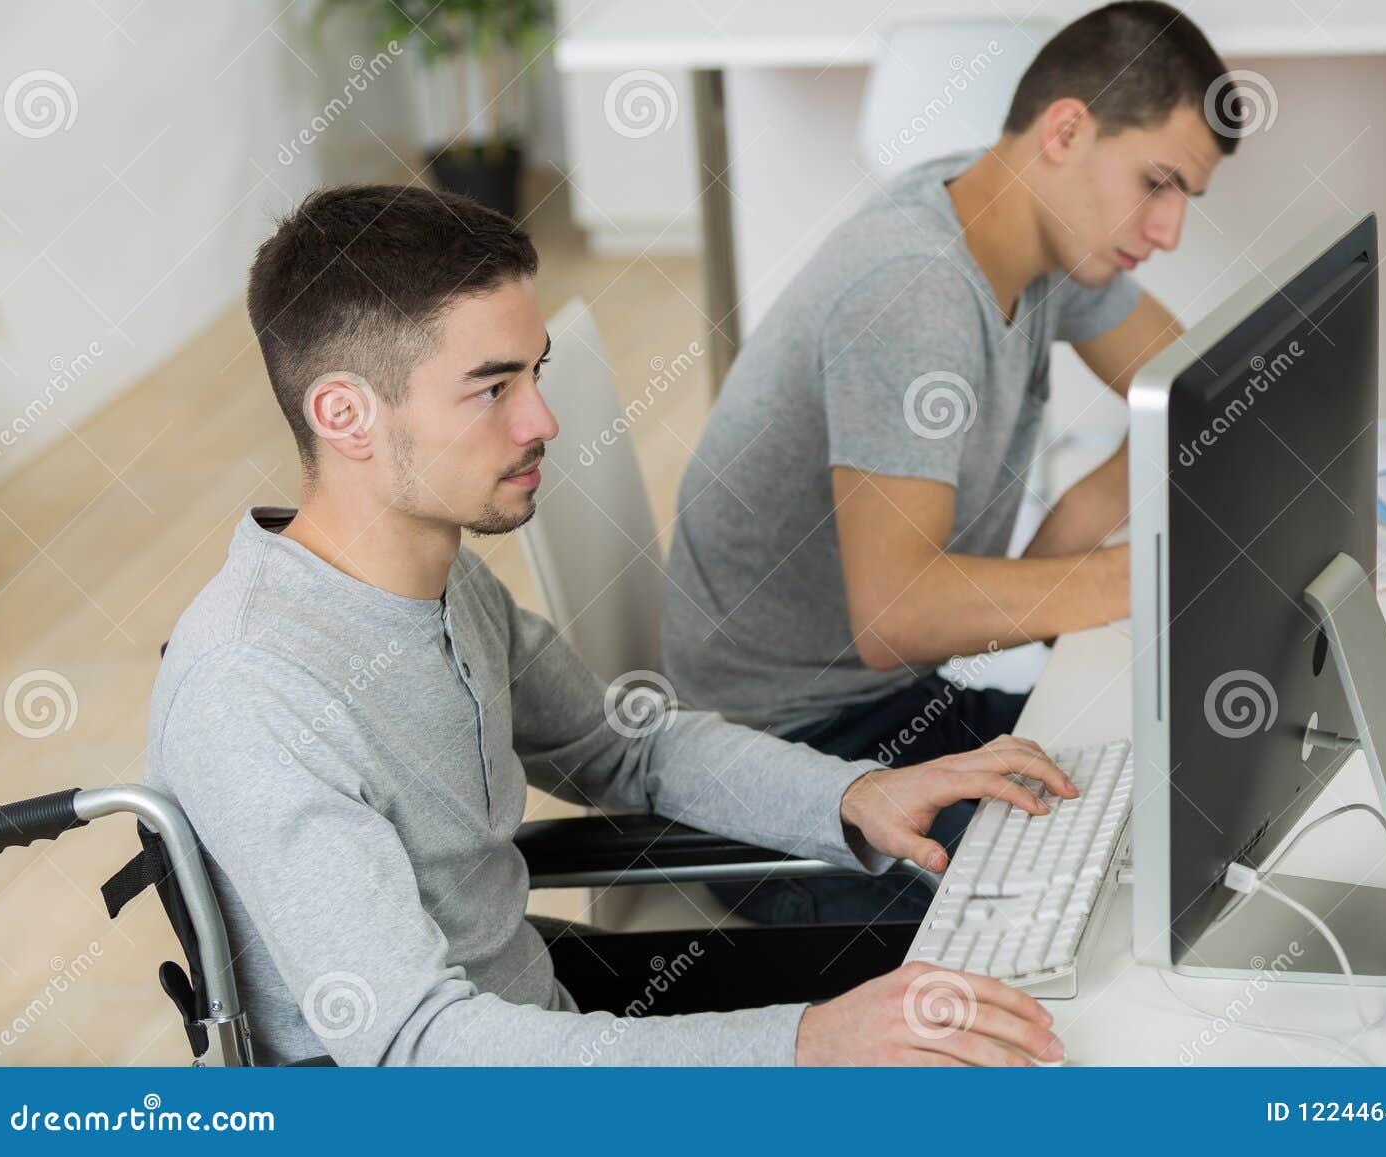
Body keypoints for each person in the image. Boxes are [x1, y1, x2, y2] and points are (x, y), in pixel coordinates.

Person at [143, 183, 1073, 1067]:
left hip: (541, 1015)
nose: (543, 417)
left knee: (980, 997)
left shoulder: (444, 578)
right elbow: (418, 1049)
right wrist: (803, 1044)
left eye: (534, 373)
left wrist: (855, 794)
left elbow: (627, 747)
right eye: (492, 387)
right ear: (343, 412)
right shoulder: (254, 691)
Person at [661, 1, 1240, 925]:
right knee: (1117, 908)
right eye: (1156, 183)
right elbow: (900, 613)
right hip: (785, 779)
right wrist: (1149, 576)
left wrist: (1089, 526)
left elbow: (1198, 390)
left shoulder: (1018, 218)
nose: (1166, 231)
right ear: (1065, 130)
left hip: (893, 714)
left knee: (1187, 797)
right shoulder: (916, 288)